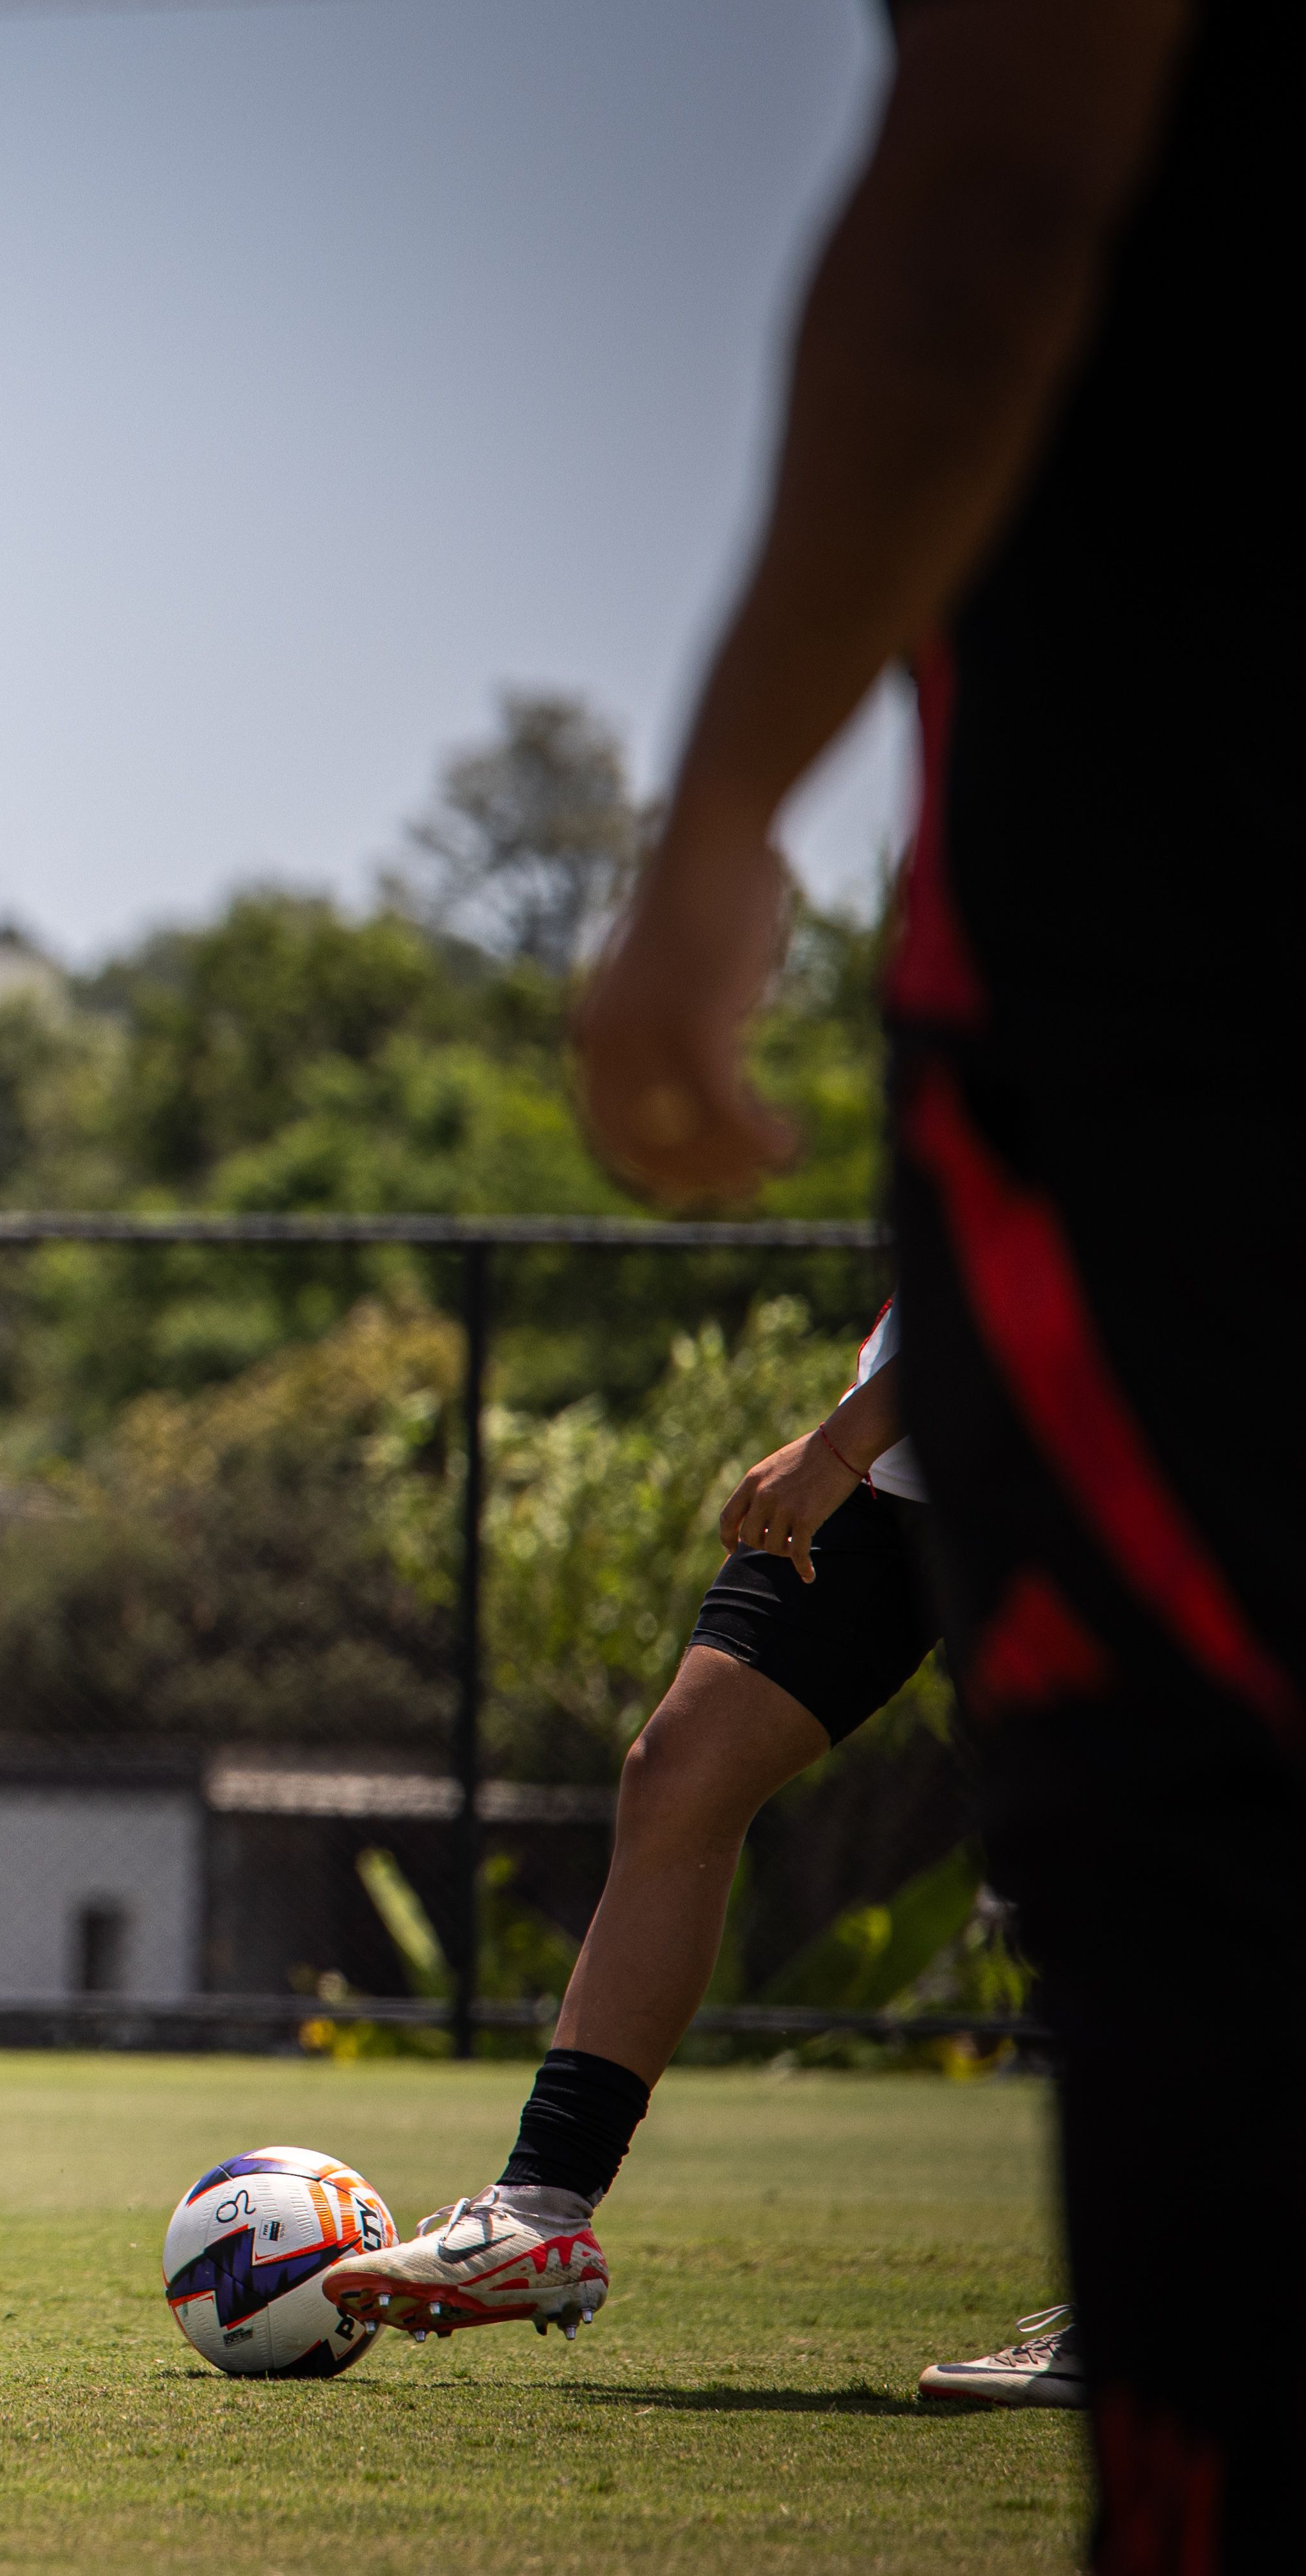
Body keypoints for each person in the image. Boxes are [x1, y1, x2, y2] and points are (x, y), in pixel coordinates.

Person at [571, 0, 1294, 2554]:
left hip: (1183, 1024)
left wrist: (718, 824)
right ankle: (552, 2203)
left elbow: (985, 208)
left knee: (1198, 1885)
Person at [326, 1309, 1075, 2407]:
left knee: (1089, 1868)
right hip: (908, 1465)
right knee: (680, 1770)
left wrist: (836, 1446)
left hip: (1070, 1462)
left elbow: (1050, 1264)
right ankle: (539, 2216)